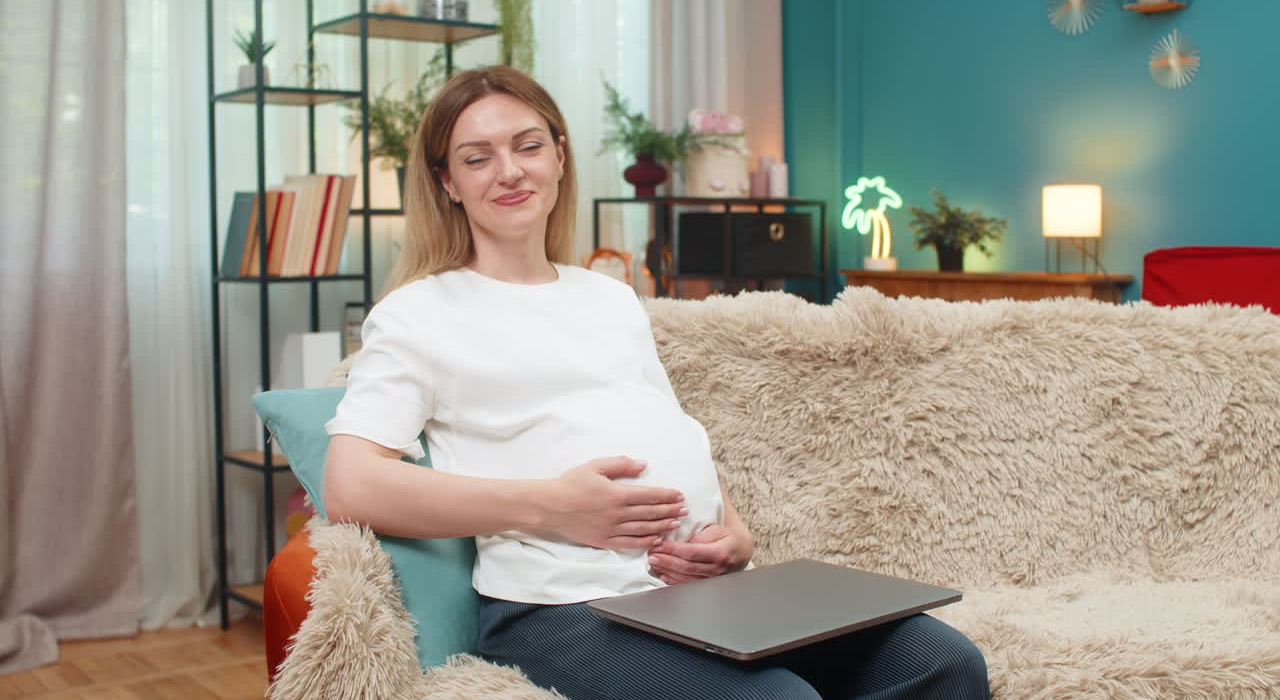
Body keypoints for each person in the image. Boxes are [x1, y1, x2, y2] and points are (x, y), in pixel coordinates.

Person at [324, 65, 989, 700]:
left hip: (699, 593)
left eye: (528, 146)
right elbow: (352, 485)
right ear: (446, 181)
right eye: (477, 158)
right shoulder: (418, 313)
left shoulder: (609, 297)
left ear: (559, 155)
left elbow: (668, 428)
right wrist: (550, 506)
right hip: (562, 608)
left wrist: (735, 532)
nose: (509, 171)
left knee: (944, 665)